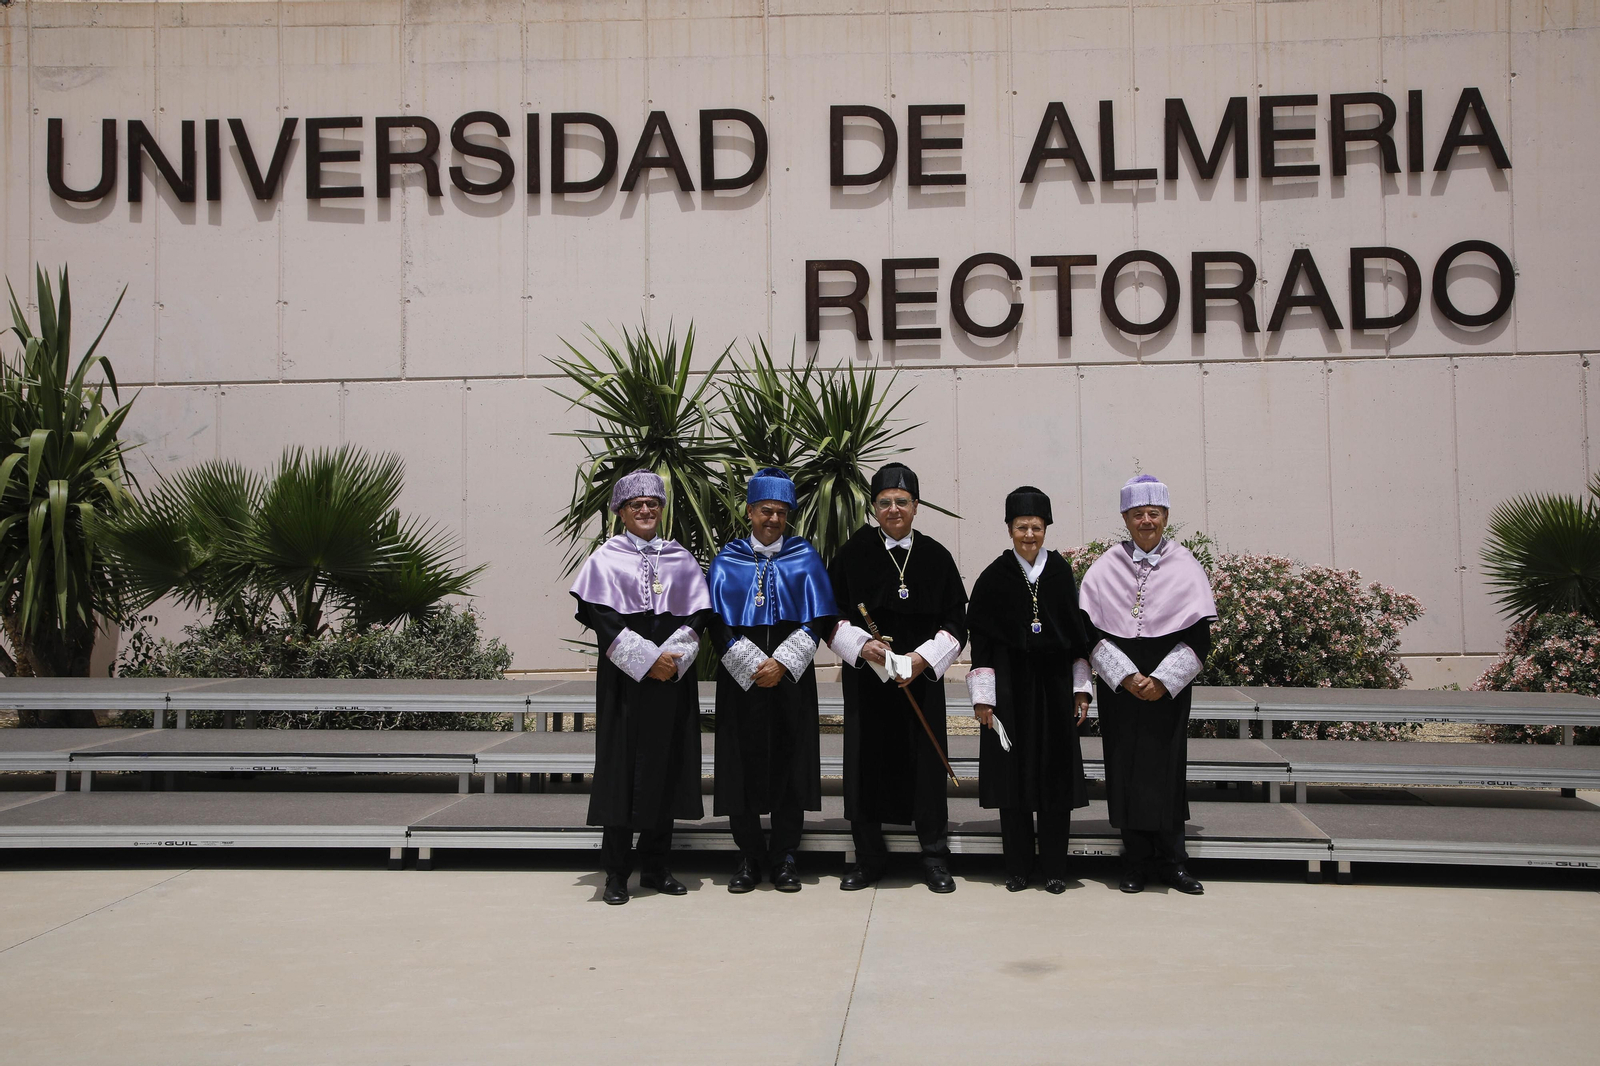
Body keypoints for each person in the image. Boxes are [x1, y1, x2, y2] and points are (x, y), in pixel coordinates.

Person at [569, 470, 713, 906]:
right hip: (624, 682)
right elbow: (602, 619)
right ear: (621, 512)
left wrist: (672, 660)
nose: (646, 510)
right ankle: (616, 873)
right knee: (621, 772)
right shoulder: (605, 559)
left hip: (672, 680)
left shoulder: (680, 558)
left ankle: (656, 867)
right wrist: (648, 661)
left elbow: (699, 616)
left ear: (661, 509)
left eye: (653, 504)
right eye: (637, 505)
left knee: (666, 768)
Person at [827, 463, 967, 894]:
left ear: (916, 506)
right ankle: (869, 858)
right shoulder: (853, 552)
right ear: (874, 506)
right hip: (869, 684)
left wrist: (922, 660)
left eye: (902, 502)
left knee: (926, 767)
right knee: (864, 765)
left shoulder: (936, 556)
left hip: (919, 683)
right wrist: (861, 646)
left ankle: (934, 857)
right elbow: (830, 615)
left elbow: (956, 622)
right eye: (885, 502)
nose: (893, 509)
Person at [1079, 474, 1218, 895]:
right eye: (1137, 513)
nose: (1146, 521)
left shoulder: (1185, 565)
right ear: (1125, 518)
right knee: (1124, 767)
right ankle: (1136, 861)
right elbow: (1088, 631)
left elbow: (1199, 637)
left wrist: (1161, 680)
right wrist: (1124, 675)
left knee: (1167, 768)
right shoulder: (1106, 566)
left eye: (1153, 513)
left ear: (1165, 517)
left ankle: (1174, 862)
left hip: (1166, 691)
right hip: (1121, 688)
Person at [708, 467, 838, 893]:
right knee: (740, 762)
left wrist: (781, 662)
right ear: (749, 512)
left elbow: (817, 618)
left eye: (782, 512)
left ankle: (784, 856)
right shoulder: (728, 559)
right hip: (741, 678)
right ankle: (748, 856)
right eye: (766, 511)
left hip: (790, 677)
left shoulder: (804, 557)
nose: (774, 519)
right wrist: (749, 663)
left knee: (791, 761)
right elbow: (716, 620)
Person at [965, 486, 1093, 894]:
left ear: (1046, 529)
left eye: (1036, 527)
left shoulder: (1060, 573)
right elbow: (980, 641)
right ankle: (1018, 867)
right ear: (1009, 529)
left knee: (1055, 777)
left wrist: (1081, 690)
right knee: (1013, 777)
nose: (1029, 535)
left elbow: (1077, 638)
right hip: (1009, 690)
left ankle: (1055, 868)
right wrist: (984, 699)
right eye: (1021, 527)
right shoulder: (994, 577)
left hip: (1055, 689)